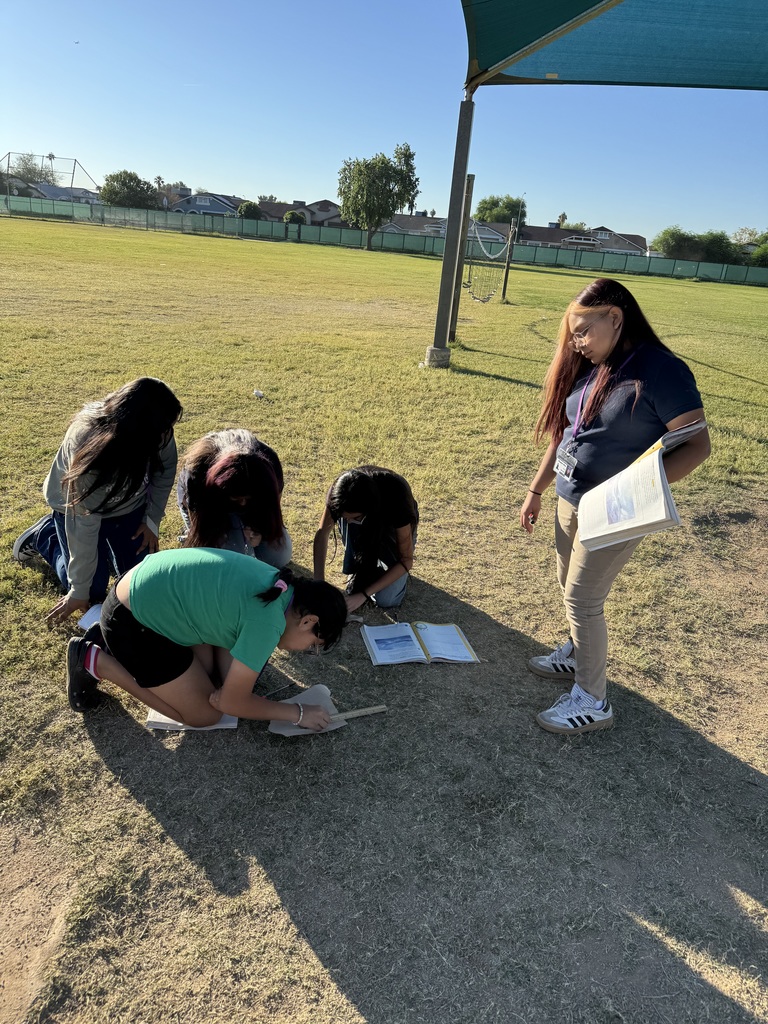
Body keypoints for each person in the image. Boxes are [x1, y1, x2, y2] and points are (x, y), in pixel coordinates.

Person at [519, 278, 711, 735]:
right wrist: (536, 490)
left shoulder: (661, 370)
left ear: (615, 317)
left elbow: (697, 446)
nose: (577, 342)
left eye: (583, 330)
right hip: (570, 495)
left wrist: (637, 493)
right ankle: (575, 653)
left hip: (615, 510)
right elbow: (565, 433)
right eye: (573, 333)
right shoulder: (592, 361)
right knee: (567, 583)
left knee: (583, 599)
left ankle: (593, 700)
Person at [65, 547, 347, 731]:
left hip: (141, 591)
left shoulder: (280, 585)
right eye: (312, 646)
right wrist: (297, 713)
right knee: (204, 715)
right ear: (309, 621)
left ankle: (110, 639)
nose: (306, 650)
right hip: (133, 622)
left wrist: (233, 693)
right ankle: (96, 661)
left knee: (219, 679)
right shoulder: (268, 623)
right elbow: (230, 703)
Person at [13, 378, 182, 625]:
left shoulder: (158, 428)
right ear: (137, 431)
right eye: (160, 431)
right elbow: (84, 525)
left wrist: (151, 520)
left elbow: (165, 471)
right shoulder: (87, 447)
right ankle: (46, 537)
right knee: (92, 591)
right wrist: (78, 591)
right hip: (78, 510)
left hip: (129, 507)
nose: (166, 436)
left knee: (139, 580)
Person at [177, 429, 292, 568]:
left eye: (248, 498)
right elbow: (202, 525)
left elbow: (270, 511)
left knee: (279, 556)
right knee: (232, 557)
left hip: (240, 502)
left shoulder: (270, 470)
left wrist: (258, 531)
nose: (243, 503)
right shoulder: (197, 471)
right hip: (212, 510)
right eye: (237, 498)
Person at [313, 466, 419, 613]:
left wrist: (362, 595)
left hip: (391, 523)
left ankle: (382, 569)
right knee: (361, 570)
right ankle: (361, 564)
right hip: (367, 514)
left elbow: (406, 560)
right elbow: (322, 534)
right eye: (344, 518)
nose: (349, 523)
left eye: (355, 517)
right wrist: (319, 583)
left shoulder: (396, 498)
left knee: (386, 600)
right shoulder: (340, 493)